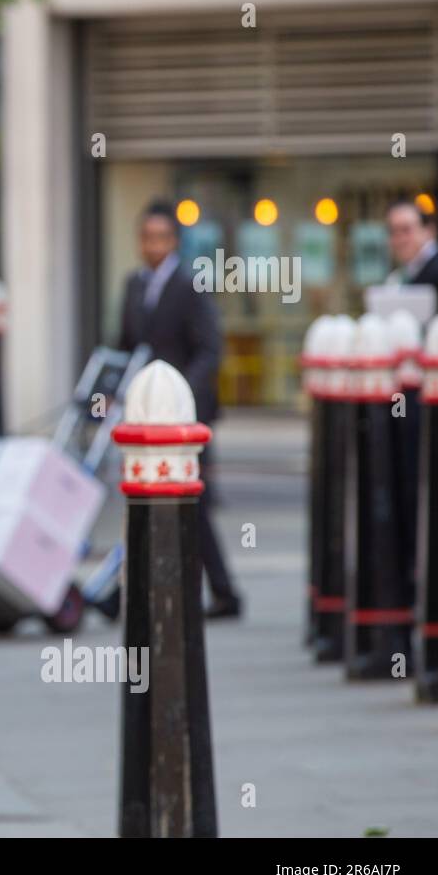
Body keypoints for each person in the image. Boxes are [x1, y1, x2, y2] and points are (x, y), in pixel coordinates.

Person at [118, 200, 241, 620]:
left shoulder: (191, 285)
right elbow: (124, 344)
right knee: (148, 498)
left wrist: (176, 396)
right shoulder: (134, 285)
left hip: (184, 416)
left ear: (174, 241)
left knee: (193, 503)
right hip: (143, 413)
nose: (152, 247)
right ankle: (148, 584)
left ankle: (224, 591)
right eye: (146, 238)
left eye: (161, 238)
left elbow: (210, 348)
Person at [385, 197, 438, 312]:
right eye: (393, 231)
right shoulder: (403, 274)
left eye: (406, 230)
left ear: (429, 231)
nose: (399, 239)